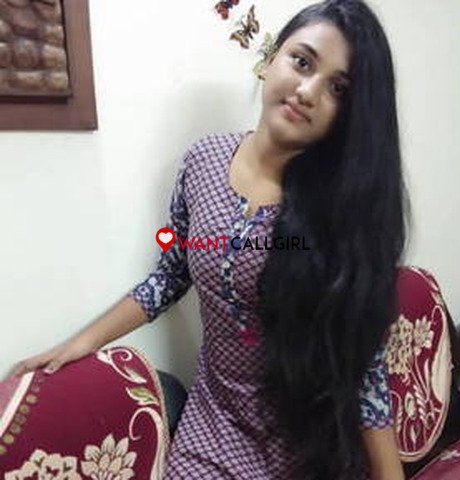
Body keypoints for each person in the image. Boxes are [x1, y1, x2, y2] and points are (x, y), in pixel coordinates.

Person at [7, 0, 409, 478]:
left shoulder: (342, 211)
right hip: (214, 428)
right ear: (270, 59)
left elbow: (364, 368)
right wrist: (81, 343)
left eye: (338, 88)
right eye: (302, 62)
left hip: (308, 444)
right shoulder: (203, 161)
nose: (307, 91)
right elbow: (170, 276)